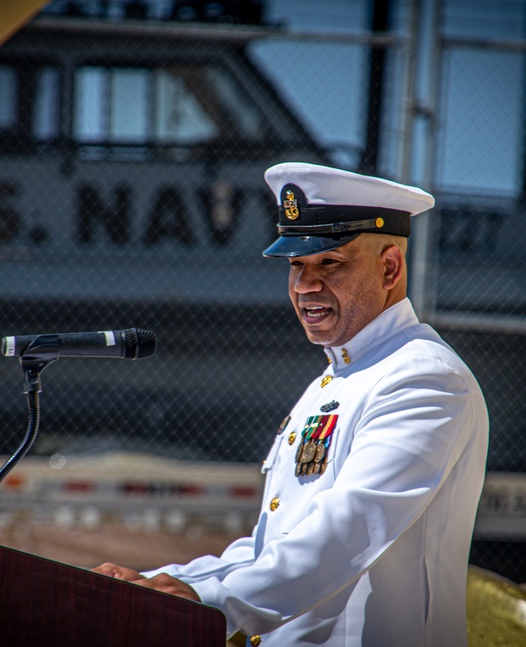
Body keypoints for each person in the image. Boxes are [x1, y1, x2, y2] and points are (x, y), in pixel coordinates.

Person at [93, 162, 489, 646]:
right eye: (296, 265)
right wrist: (162, 585)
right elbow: (275, 546)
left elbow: (349, 527)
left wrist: (210, 600)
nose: (304, 285)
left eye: (330, 264)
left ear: (389, 267)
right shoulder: (339, 377)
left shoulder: (424, 377)